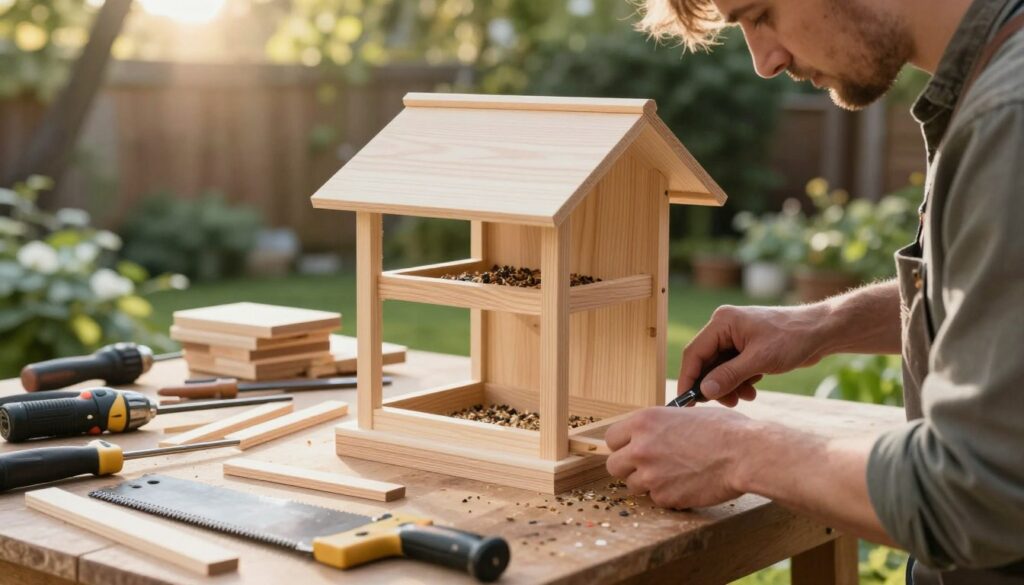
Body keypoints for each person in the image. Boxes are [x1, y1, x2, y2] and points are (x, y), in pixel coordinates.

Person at [603, 0, 1024, 582]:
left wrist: (738, 453)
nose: (764, 61)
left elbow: (978, 493)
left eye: (760, 13)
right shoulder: (991, 79)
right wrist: (822, 325)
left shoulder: (1009, 115)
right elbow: (990, 306)